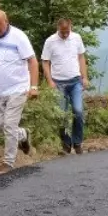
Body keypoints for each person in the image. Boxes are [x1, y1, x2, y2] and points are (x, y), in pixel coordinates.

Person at [0, 10, 38, 173]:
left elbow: (33, 62)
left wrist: (34, 87)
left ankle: (8, 162)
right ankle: (22, 134)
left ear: (6, 21)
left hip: (18, 87)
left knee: (9, 124)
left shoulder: (19, 37)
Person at [41, 18, 89, 155]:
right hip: (58, 83)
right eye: (63, 33)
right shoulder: (50, 41)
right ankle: (66, 143)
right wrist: (50, 81)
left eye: (67, 32)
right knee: (61, 115)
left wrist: (84, 77)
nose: (65, 35)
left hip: (75, 81)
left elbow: (81, 57)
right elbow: (45, 62)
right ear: (58, 29)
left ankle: (78, 142)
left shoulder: (76, 38)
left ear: (70, 28)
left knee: (78, 111)